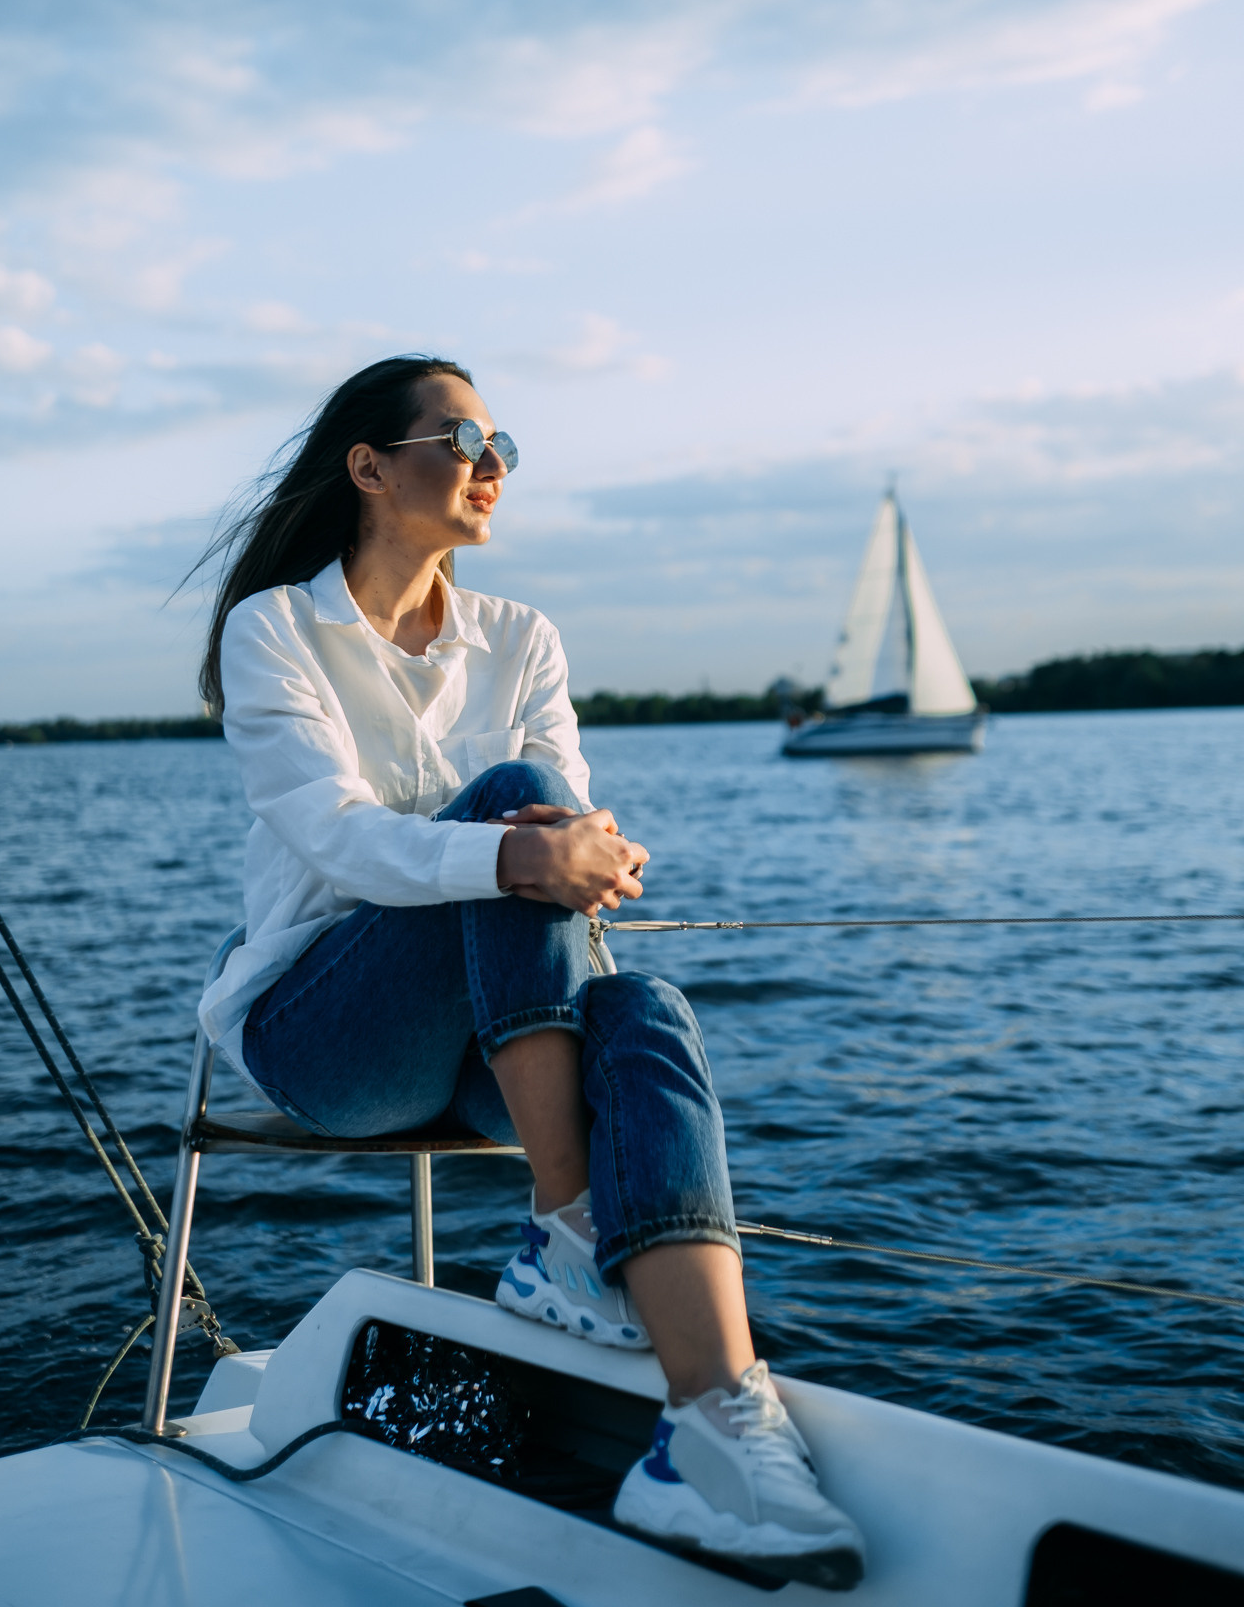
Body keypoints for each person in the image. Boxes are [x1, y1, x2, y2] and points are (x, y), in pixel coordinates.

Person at [195, 355, 865, 1590]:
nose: (492, 465)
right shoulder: (275, 628)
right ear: (368, 468)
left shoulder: (520, 639)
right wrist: (529, 850)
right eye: (462, 440)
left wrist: (586, 851)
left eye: (503, 444)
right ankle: (565, 1223)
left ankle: (715, 1424)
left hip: (500, 1047)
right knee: (511, 805)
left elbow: (568, 827)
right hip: (324, 1038)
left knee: (643, 1004)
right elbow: (335, 835)